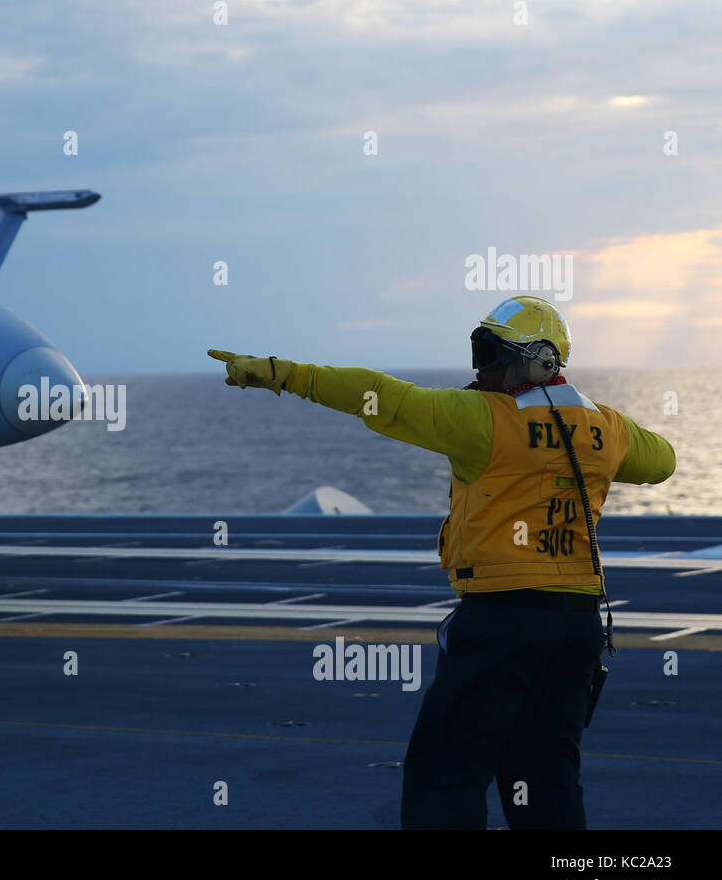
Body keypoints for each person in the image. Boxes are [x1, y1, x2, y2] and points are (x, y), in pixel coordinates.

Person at [209, 295, 676, 829]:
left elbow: (380, 396)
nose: (483, 368)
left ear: (538, 359)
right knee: (547, 778)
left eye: (492, 353)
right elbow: (661, 460)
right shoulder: (607, 429)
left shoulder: (480, 420)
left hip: (503, 622)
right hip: (577, 627)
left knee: (446, 774)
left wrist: (281, 374)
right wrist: (584, 417)